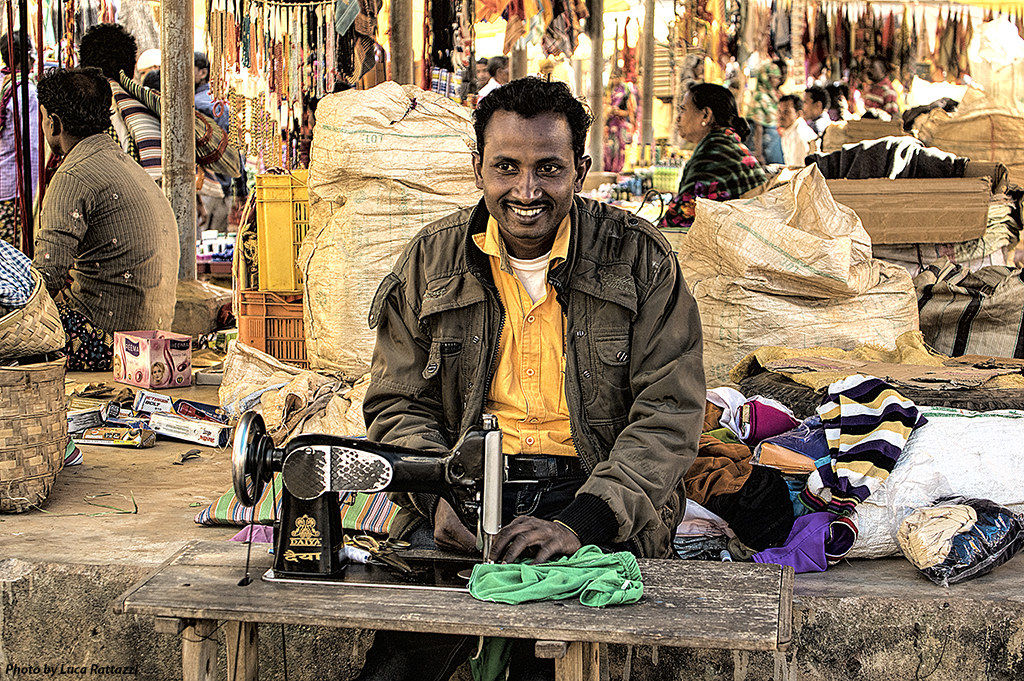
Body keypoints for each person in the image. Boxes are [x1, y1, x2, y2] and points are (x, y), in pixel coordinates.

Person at [359, 77, 705, 681]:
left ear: (581, 168)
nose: (526, 190)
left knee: (568, 663)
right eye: (506, 167)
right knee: (400, 667)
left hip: (596, 493)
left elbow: (670, 414)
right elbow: (396, 402)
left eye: (549, 168)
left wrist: (585, 522)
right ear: (478, 169)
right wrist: (437, 491)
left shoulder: (641, 259)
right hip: (468, 488)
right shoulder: (429, 262)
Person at [33, 68, 179, 371]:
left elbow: (46, 278)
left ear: (53, 122)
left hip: (106, 342)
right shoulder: (123, 163)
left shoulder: (74, 174)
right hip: (153, 335)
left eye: (44, 117)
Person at [660, 82, 768, 233]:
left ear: (706, 115)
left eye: (683, 110)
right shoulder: (726, 141)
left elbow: (680, 218)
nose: (678, 118)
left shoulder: (714, 152)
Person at [194, 51, 246, 233]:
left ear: (202, 72)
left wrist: (240, 187)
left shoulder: (202, 105)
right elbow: (236, 147)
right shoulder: (216, 102)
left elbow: (231, 145)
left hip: (209, 189)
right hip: (217, 189)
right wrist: (241, 188)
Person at [1, 32, 39, 246]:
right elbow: (32, 147)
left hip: (4, 184)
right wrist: (33, 195)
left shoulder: (3, 83)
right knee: (12, 254)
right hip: (13, 190)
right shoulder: (26, 92)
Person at [746, 60, 786, 165]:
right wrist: (758, 154)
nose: (777, 81)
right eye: (775, 77)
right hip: (766, 143)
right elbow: (758, 126)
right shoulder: (760, 97)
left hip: (773, 140)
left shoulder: (771, 95)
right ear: (766, 78)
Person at [603, 69, 636, 172]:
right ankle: (609, 170)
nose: (614, 80)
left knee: (620, 149)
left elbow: (629, 112)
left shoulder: (625, 92)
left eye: (616, 77)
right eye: (613, 77)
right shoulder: (609, 91)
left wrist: (617, 112)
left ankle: (617, 171)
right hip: (610, 126)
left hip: (620, 126)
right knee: (608, 150)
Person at [778, 94, 817, 166]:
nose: (781, 116)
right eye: (779, 111)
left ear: (799, 114)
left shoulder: (799, 133)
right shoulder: (789, 131)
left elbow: (798, 168)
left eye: (786, 112)